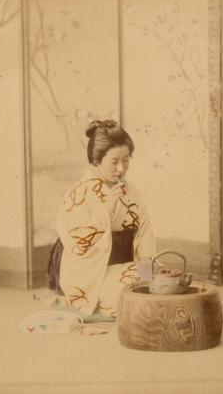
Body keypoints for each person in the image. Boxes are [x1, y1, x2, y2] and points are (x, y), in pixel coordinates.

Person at [47, 120, 156, 317]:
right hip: (89, 269)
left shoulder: (131, 189)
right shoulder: (79, 192)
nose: (121, 168)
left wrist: (146, 265)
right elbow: (76, 242)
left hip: (126, 263)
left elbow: (144, 229)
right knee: (129, 294)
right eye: (115, 162)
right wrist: (105, 209)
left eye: (126, 160)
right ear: (97, 159)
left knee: (159, 281)